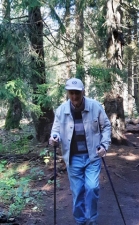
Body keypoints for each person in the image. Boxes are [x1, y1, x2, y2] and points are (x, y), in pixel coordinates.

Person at [49, 78, 111, 225]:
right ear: (68, 93)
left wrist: (104, 144)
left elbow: (106, 126)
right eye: (71, 93)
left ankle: (92, 220)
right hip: (73, 157)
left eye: (77, 93)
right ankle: (80, 221)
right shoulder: (61, 110)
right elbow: (55, 131)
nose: (74, 96)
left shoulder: (95, 106)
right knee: (77, 192)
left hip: (92, 156)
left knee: (92, 188)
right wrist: (54, 139)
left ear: (83, 91)